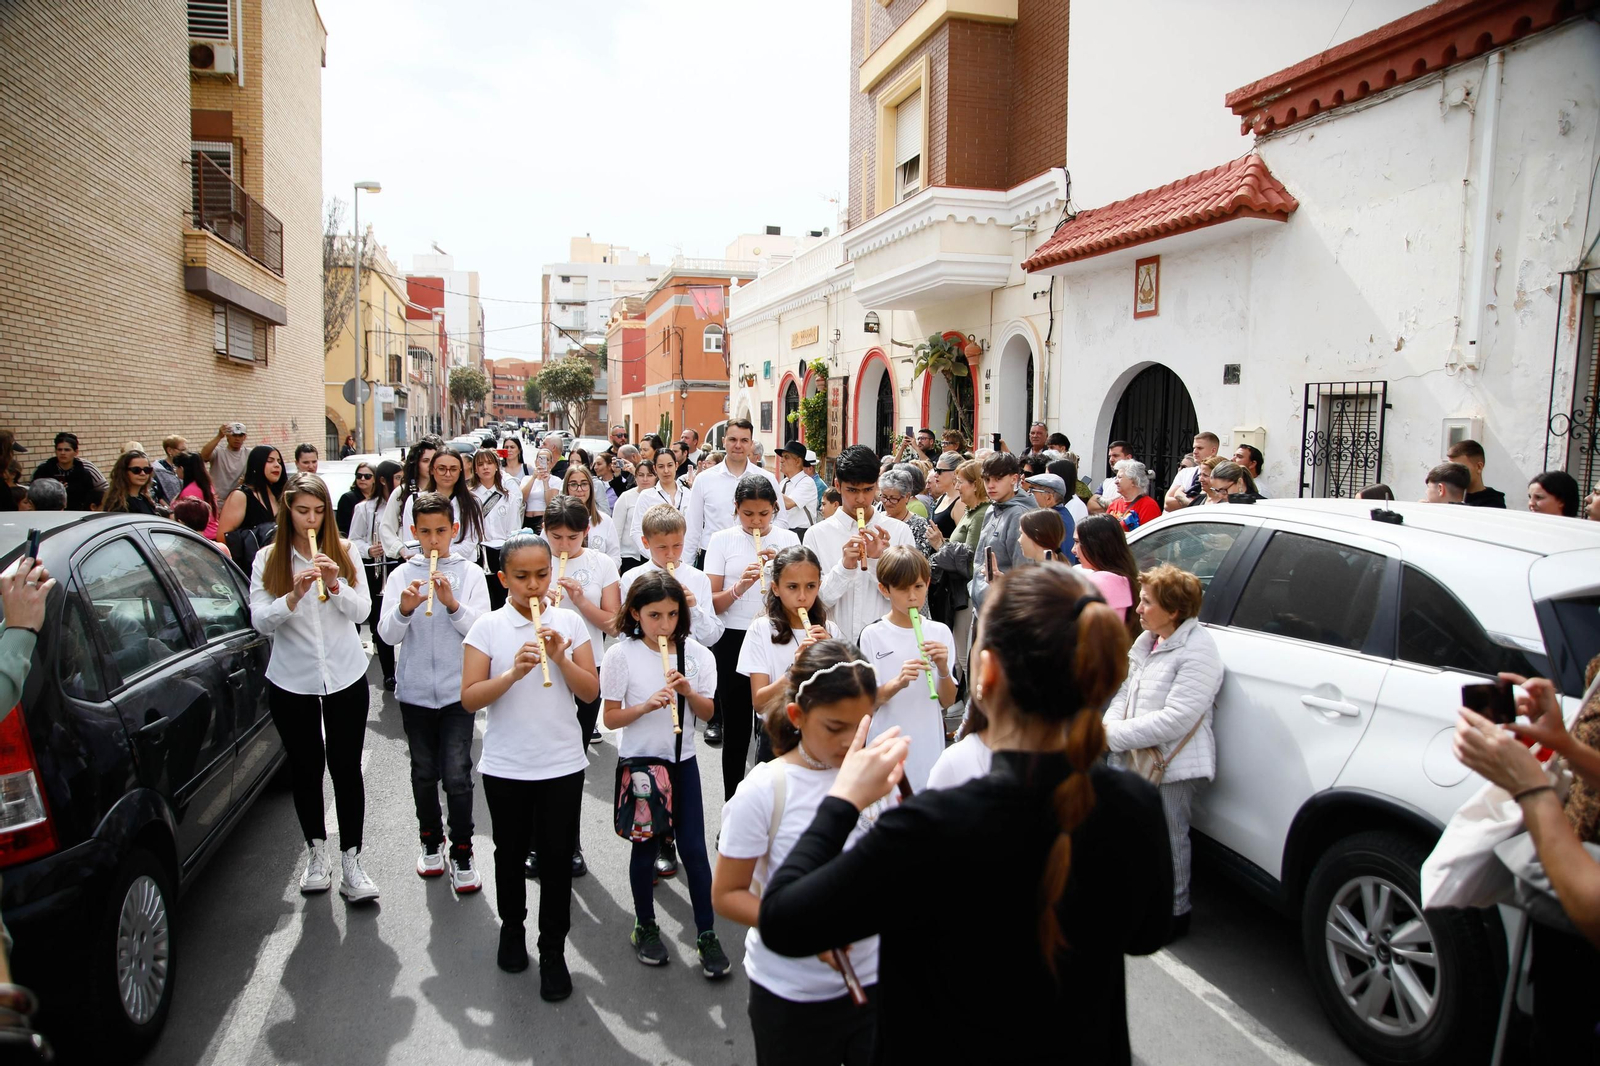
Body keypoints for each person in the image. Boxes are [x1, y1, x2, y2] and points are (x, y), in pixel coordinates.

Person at [757, 564, 1173, 1062]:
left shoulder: (931, 825)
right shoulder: (1134, 804)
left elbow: (785, 920)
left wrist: (842, 800)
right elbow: (1147, 934)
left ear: (989, 673)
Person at [713, 640, 883, 1065]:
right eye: (834, 727)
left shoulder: (880, 775)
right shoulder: (765, 789)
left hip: (876, 981)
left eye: (863, 724)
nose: (850, 740)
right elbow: (728, 894)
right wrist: (804, 926)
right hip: (792, 994)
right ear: (797, 716)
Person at [461, 531, 599, 994]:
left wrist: (560, 658)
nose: (534, 586)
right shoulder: (487, 628)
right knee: (510, 853)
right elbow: (469, 698)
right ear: (503, 579)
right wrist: (512, 674)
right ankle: (512, 929)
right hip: (507, 765)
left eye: (542, 575)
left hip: (561, 762)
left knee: (558, 859)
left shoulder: (570, 624)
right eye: (522, 577)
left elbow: (589, 692)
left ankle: (554, 949)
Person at [248, 473, 378, 903]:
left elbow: (363, 610)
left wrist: (336, 583)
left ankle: (352, 863)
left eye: (319, 511)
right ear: (288, 510)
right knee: (306, 769)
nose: (312, 518)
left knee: (346, 769)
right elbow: (259, 620)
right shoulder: (269, 558)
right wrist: (292, 595)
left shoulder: (345, 551)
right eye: (303, 510)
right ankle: (316, 855)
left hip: (344, 673)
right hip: (292, 678)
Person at [1452, 673, 1600, 1049]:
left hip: (1581, 886)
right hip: (1566, 875)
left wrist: (1530, 788)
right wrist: (1563, 740)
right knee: (1554, 1024)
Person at [600, 571, 729, 977]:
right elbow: (610, 716)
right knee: (645, 847)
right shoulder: (621, 655)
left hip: (682, 760)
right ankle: (645, 925)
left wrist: (688, 692)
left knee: (693, 849)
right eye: (654, 615)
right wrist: (645, 707)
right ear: (636, 613)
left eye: (673, 614)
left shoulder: (698, 655)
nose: (665, 624)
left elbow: (708, 714)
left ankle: (706, 933)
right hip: (641, 763)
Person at [1101, 565, 1221, 941]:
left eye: (1147, 602)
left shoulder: (1198, 650)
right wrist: (1108, 729)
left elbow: (1177, 719)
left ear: (1173, 611)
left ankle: (1174, 913)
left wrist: (1113, 735)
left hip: (1171, 765)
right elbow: (1125, 692)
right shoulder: (1149, 640)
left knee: (1170, 838)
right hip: (1134, 756)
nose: (1138, 608)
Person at [378, 492, 490, 894]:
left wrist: (452, 604)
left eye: (441, 531)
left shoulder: (471, 573)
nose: (433, 540)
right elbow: (386, 636)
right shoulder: (400, 576)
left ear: (454, 531)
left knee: (458, 775)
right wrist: (404, 609)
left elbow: (480, 630)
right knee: (424, 773)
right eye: (424, 532)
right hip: (415, 694)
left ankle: (463, 850)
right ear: (413, 533)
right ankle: (430, 842)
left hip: (459, 693)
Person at [707, 476, 801, 797]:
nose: (757, 521)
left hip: (777, 636)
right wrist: (740, 587)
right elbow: (713, 603)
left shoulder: (789, 539)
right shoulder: (721, 540)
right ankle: (733, 805)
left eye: (764, 513)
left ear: (775, 508)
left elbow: (802, 595)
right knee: (735, 730)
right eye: (748, 514)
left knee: (775, 726)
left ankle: (770, 804)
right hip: (733, 638)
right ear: (736, 509)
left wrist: (782, 574)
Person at [858, 547, 957, 791]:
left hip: (929, 746)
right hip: (885, 747)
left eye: (918, 587)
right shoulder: (872, 634)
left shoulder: (940, 632)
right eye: (902, 589)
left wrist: (943, 669)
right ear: (885, 589)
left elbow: (947, 700)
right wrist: (898, 682)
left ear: (928, 584)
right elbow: (866, 703)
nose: (912, 596)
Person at [802, 445, 915, 648]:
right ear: (837, 485)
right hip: (833, 646)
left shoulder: (900, 531)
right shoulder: (816, 535)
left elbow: (909, 597)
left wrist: (876, 562)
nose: (861, 499)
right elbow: (814, 601)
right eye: (852, 490)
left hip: (885, 645)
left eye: (868, 490)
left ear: (877, 486)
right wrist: (844, 567)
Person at [542, 494, 621, 767]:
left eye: (573, 537)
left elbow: (613, 624)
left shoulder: (602, 563)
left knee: (579, 746)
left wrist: (581, 602)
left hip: (590, 662)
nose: (564, 545)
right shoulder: (531, 559)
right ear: (545, 529)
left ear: (586, 531)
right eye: (556, 537)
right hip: (542, 661)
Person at [736, 546, 842, 720]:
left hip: (820, 732)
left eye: (810, 586)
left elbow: (841, 696)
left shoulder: (830, 630)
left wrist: (833, 656)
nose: (802, 596)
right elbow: (759, 703)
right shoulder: (761, 629)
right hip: (777, 733)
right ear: (776, 588)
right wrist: (794, 671)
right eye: (792, 587)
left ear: (819, 586)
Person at [683, 422, 781, 570]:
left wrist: (771, 548)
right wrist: (686, 568)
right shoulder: (704, 479)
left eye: (744, 440)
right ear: (724, 441)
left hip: (756, 554)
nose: (738, 445)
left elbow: (780, 520)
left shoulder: (768, 478)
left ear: (751, 443)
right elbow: (693, 527)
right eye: (733, 439)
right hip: (712, 556)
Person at [349, 460, 400, 689]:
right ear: (384, 480)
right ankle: (389, 673)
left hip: (400, 563)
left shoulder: (405, 503)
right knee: (382, 618)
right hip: (378, 569)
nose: (400, 483)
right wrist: (369, 549)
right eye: (396, 478)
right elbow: (353, 539)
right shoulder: (365, 508)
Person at [400, 449, 484, 564]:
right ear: (432, 470)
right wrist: (428, 558)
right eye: (441, 469)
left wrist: (440, 555)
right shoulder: (415, 500)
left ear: (460, 471)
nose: (447, 474)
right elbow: (410, 544)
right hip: (423, 567)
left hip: (460, 566)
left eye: (453, 469)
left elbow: (469, 543)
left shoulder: (472, 502)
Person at [470, 449, 523, 612]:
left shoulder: (508, 497)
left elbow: (514, 530)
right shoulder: (469, 497)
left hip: (501, 554)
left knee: (501, 600)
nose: (485, 467)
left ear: (496, 466)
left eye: (489, 463)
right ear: (475, 470)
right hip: (477, 555)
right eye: (480, 464)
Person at [1074, 514, 1142, 638]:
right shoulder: (1123, 577)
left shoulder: (1102, 581)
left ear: (1097, 544)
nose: (1074, 549)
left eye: (1078, 542)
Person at [383, 437, 442, 556]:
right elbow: (386, 528)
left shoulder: (443, 490)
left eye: (433, 460)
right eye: (425, 461)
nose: (430, 465)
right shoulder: (401, 492)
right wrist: (402, 549)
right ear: (416, 463)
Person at [562, 465, 622, 564]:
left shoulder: (605, 520)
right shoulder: (556, 519)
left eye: (584, 484)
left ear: (591, 487)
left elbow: (615, 556)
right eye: (573, 484)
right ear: (566, 488)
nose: (579, 489)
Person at [31, 432, 103, 510]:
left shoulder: (85, 471)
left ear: (76, 452)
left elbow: (98, 491)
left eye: (67, 450)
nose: (63, 453)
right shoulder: (44, 469)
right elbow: (33, 491)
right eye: (59, 450)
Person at [877, 468, 933, 562]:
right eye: (884, 497)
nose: (887, 503)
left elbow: (918, 562)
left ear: (907, 497)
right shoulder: (877, 518)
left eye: (893, 498)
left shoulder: (919, 525)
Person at [613, 458, 653, 574]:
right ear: (635, 476)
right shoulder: (626, 497)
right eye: (641, 475)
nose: (645, 479)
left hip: (651, 556)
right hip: (629, 556)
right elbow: (616, 531)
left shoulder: (659, 497)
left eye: (649, 475)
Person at [1163, 433, 1220, 511]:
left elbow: (1206, 506)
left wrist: (1179, 494)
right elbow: (1167, 504)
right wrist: (1195, 504)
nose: (1195, 452)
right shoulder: (1185, 472)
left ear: (1213, 451)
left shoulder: (1220, 474)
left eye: (1200, 448)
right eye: (1194, 448)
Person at [1023, 473, 1074, 557]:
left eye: (1032, 490)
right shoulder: (1060, 515)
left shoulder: (1054, 521)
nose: (1028, 494)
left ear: (1049, 498)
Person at [174, 451, 221, 541]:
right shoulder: (205, 485)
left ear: (182, 468)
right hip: (213, 533)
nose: (176, 471)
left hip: (200, 537)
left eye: (176, 467)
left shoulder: (189, 492)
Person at [776, 440, 818, 541]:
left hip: (801, 535)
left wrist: (771, 486)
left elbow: (789, 504)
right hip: (784, 532)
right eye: (782, 457)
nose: (781, 461)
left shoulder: (807, 482)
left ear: (798, 461)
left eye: (786, 457)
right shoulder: (783, 483)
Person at [1445, 439, 1505, 508]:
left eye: (1459, 469)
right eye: (1450, 468)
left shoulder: (1493, 504)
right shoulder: (1446, 495)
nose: (1453, 474)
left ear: (1479, 467)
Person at [1105, 459, 1160, 532]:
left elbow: (1149, 538)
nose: (1116, 482)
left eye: (1120, 477)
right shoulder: (1114, 504)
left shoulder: (1148, 506)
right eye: (1116, 477)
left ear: (1134, 481)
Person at [101, 450, 163, 515]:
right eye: (136, 470)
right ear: (124, 472)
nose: (143, 473)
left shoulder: (145, 499)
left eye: (146, 470)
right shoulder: (118, 504)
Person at [519, 445, 562, 532]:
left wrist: (545, 482)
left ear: (551, 463)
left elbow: (551, 503)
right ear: (536, 462)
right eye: (540, 459)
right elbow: (522, 498)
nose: (543, 462)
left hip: (542, 519)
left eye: (547, 460)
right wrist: (534, 477)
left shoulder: (555, 480)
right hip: (527, 519)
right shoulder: (527, 479)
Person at [202, 422, 250, 496]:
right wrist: (219, 436)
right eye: (234, 435)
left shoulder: (248, 453)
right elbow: (203, 456)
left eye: (240, 435)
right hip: (218, 500)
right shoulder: (218, 452)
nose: (237, 439)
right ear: (228, 436)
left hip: (237, 499)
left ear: (244, 437)